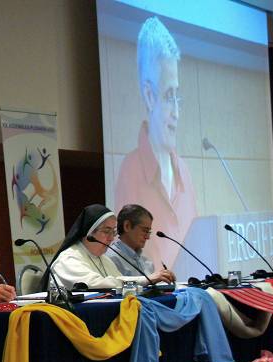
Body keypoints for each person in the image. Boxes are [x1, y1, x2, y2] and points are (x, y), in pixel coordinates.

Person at [114, 17, 197, 271]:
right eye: (169, 96)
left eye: (177, 98)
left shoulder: (184, 171)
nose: (176, 113)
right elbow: (122, 256)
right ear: (149, 97)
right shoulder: (131, 170)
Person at [39, 204, 173, 290]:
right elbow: (93, 284)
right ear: (89, 233)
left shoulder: (104, 260)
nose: (111, 237)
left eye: (113, 232)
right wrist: (145, 280)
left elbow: (122, 283)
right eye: (106, 231)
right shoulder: (68, 258)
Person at [107, 204, 175, 283]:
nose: (147, 237)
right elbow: (114, 287)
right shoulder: (110, 259)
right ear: (127, 226)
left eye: (148, 232)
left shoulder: (146, 262)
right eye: (144, 231)